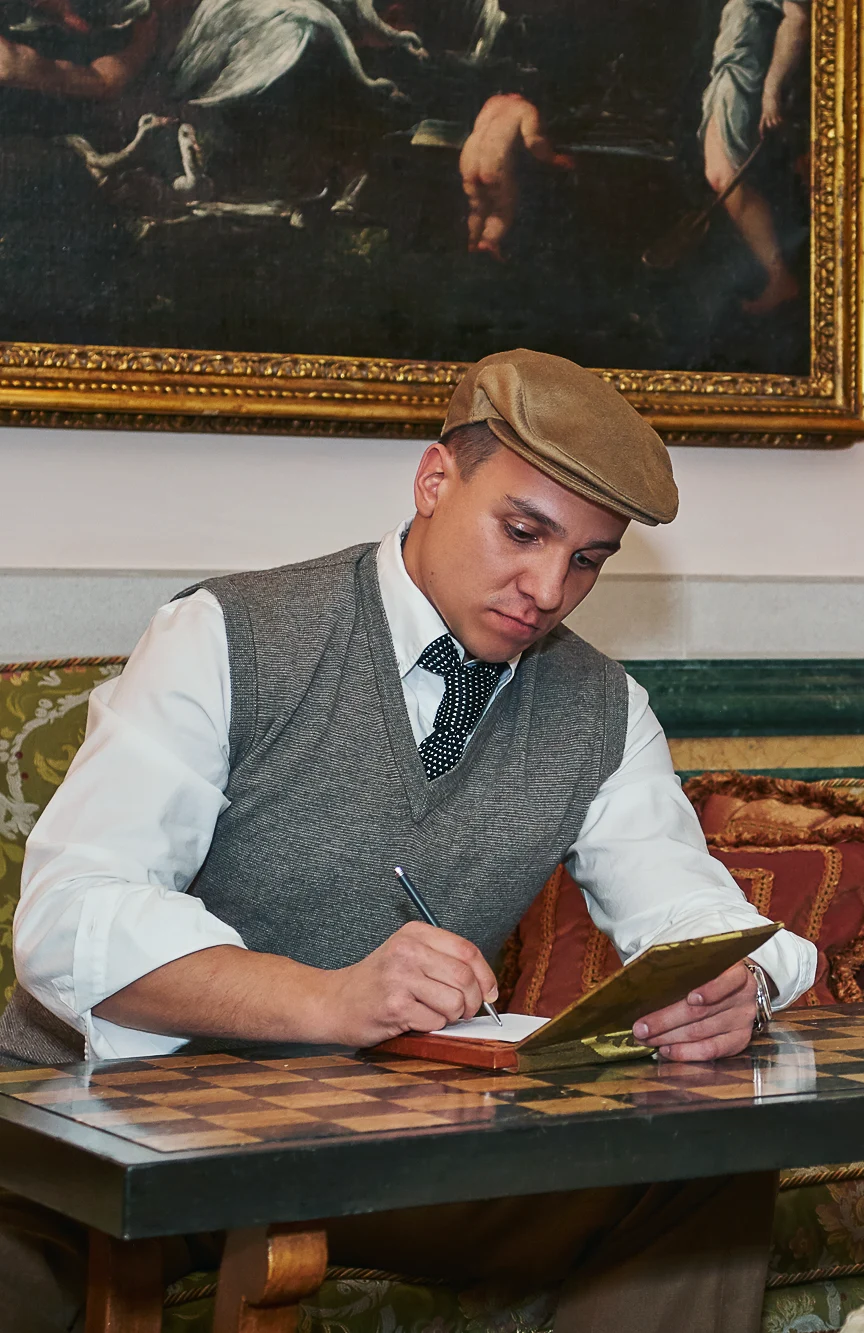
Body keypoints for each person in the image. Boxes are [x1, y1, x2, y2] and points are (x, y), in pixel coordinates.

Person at [0, 348, 819, 1333]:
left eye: (587, 559)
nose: (547, 587)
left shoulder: (603, 709)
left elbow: (688, 905)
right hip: (104, 1129)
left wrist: (732, 981)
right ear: (434, 480)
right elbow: (71, 916)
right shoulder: (226, 633)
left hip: (372, 1147)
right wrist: (329, 997)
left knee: (706, 1167)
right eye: (523, 531)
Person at [700, 0, 807, 313]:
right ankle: (777, 275)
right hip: (728, 82)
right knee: (721, 176)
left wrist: (771, 92)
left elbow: (798, 19)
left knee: (725, 177)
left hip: (744, 84)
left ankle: (779, 277)